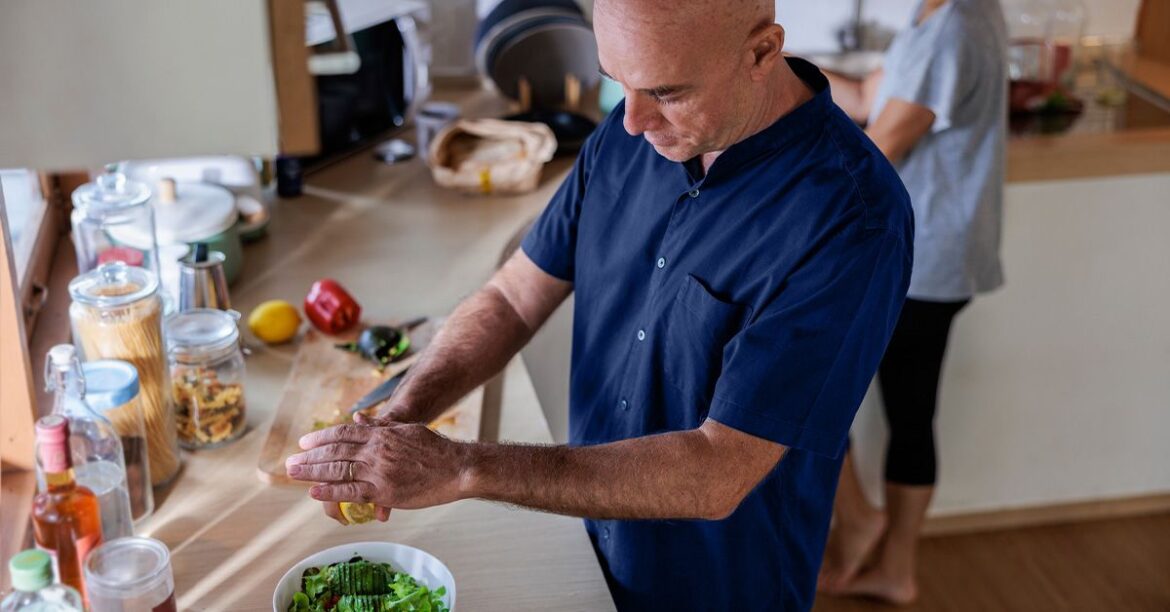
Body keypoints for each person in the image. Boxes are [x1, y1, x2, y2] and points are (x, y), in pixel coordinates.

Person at [286, 0, 913, 608]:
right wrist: (404, 412)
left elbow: (719, 469)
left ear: (762, 50)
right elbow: (513, 295)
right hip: (587, 545)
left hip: (716, 586)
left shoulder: (852, 217)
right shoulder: (631, 126)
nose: (632, 120)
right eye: (616, 81)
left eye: (667, 92)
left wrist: (460, 468)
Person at [815, 0, 1007, 605]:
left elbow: (882, 143)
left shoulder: (956, 24)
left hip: (924, 258)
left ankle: (873, 536)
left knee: (827, 395)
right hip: (922, 252)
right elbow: (874, 94)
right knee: (896, 407)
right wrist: (785, 67)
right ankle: (881, 548)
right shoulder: (937, 14)